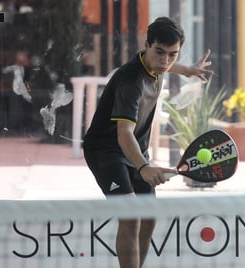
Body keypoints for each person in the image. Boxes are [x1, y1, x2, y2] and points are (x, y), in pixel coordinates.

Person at [83, 16, 213, 268]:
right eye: (160, 52)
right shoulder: (130, 81)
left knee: (149, 217)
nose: (166, 61)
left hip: (133, 150)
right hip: (106, 151)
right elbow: (124, 133)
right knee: (131, 216)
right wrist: (143, 167)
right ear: (147, 45)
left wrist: (186, 70)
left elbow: (164, 64)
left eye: (173, 54)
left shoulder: (154, 63)